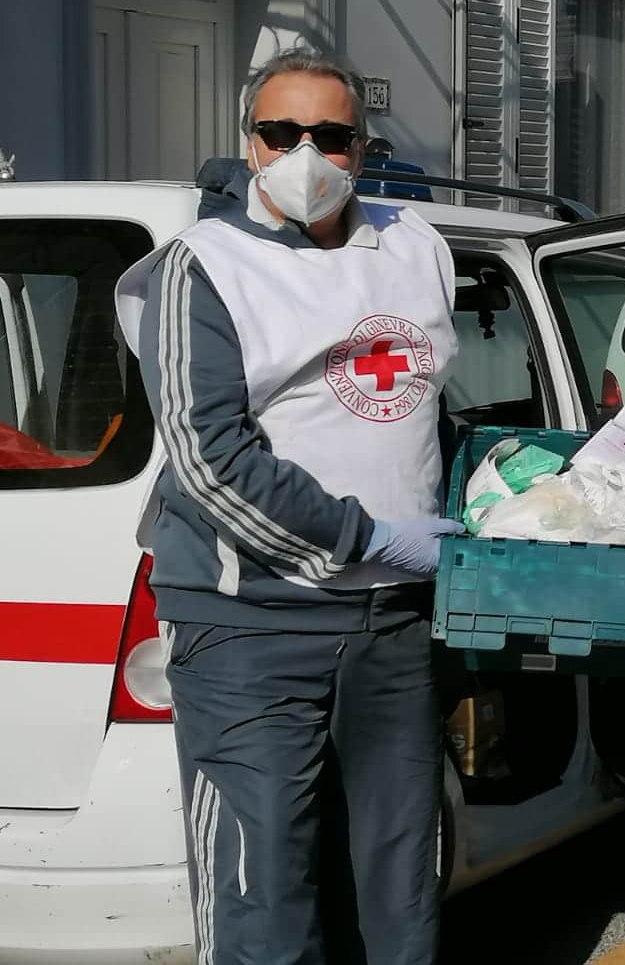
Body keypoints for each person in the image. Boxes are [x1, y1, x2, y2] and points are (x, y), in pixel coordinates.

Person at [114, 48, 461, 964]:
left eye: (332, 136)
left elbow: (428, 412)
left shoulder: (416, 247)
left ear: (363, 147)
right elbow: (208, 458)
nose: (307, 153)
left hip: (392, 627)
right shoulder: (204, 265)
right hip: (251, 628)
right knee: (261, 898)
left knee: (396, 901)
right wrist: (374, 536)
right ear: (250, 143)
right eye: (283, 132)